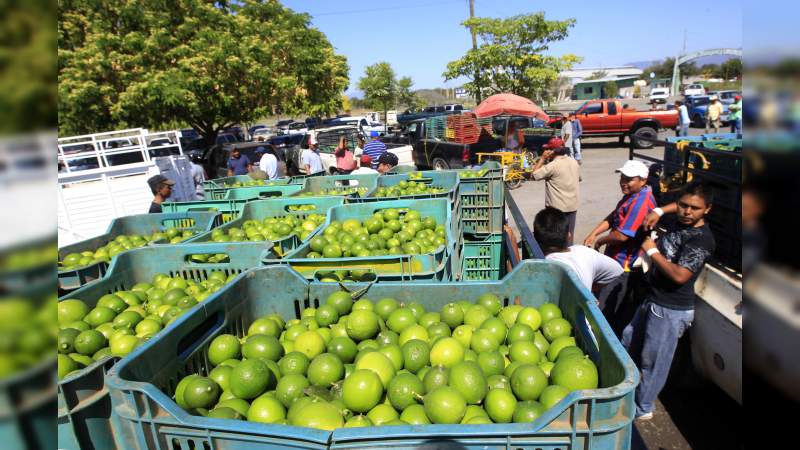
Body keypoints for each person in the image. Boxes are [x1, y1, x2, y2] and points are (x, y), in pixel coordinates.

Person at [622, 181, 715, 421]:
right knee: (628, 340)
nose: (686, 211)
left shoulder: (701, 240)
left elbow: (680, 275)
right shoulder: (681, 219)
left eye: (694, 208)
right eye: (683, 205)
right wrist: (659, 211)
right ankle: (624, 393)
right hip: (654, 300)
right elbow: (678, 205)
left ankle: (643, 408)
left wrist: (652, 251)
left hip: (671, 310)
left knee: (653, 363)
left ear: (707, 209)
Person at [583, 160, 656, 333]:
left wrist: (600, 241)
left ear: (643, 181)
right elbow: (613, 216)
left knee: (605, 310)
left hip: (623, 266)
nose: (624, 182)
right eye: (622, 177)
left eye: (629, 179)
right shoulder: (631, 196)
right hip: (613, 259)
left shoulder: (641, 202)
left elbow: (623, 235)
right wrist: (594, 234)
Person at [533, 207, 623, 293]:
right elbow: (617, 270)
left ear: (536, 240)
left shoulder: (546, 267)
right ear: (569, 236)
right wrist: (591, 289)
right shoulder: (584, 251)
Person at [531, 137, 580, 243]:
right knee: (569, 237)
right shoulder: (573, 162)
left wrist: (543, 159)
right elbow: (578, 178)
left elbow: (534, 175)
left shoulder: (553, 166)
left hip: (556, 209)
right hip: (572, 206)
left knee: (556, 240)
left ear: (552, 151)